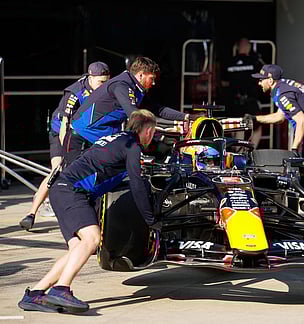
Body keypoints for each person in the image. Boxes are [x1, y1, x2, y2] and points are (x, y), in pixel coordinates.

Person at [17, 109, 158, 313]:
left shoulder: (116, 139)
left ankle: (35, 294)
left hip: (61, 189)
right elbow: (136, 185)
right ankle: (61, 289)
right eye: (152, 132)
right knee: (92, 239)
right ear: (147, 130)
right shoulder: (132, 146)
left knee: (78, 247)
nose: (152, 137)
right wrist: (150, 219)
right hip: (72, 190)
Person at [19, 62, 110, 231]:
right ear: (90, 78)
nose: (103, 86)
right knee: (59, 169)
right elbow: (64, 125)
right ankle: (32, 212)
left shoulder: (107, 90)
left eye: (106, 82)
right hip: (61, 132)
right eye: (100, 82)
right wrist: (65, 151)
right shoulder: (75, 93)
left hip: (82, 133)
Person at [66, 56, 194, 166]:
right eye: (152, 78)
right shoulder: (122, 85)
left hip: (99, 134)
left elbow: (158, 109)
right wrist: (173, 128)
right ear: (141, 75)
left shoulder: (135, 89)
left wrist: (187, 117)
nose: (154, 83)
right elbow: (134, 115)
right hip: (82, 136)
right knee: (73, 181)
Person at [249, 64, 304, 182]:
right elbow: (279, 117)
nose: (259, 83)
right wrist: (255, 118)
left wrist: (294, 149)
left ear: (270, 81)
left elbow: (302, 122)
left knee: (298, 178)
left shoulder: (283, 95)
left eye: (260, 80)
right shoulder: (286, 86)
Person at [223, 37, 264, 147]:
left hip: (233, 101)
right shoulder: (254, 62)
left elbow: (223, 82)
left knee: (237, 128)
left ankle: (238, 154)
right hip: (249, 100)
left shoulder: (228, 62)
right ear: (248, 48)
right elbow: (262, 78)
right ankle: (251, 151)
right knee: (257, 127)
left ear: (236, 48)